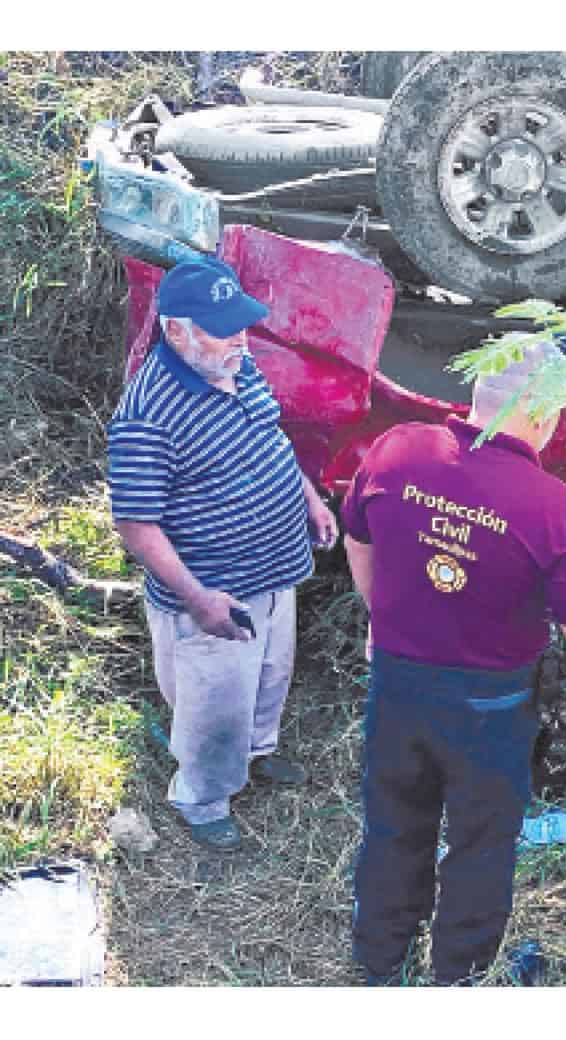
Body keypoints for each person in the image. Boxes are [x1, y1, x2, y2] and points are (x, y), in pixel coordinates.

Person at [341, 338, 566, 986]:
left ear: (476, 392)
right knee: (480, 842)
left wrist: (385, 616)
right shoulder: (553, 508)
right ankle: (458, 975)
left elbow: (357, 537)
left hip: (397, 685)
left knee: (392, 825)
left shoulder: (398, 449)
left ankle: (380, 960)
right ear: (545, 412)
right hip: (488, 706)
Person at [107, 255, 338, 853]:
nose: (239, 337)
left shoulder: (236, 364)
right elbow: (136, 524)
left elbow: (271, 435)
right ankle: (203, 798)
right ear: (175, 329)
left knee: (268, 674)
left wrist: (308, 498)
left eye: (239, 322)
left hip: (273, 570)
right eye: (220, 326)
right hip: (214, 591)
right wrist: (198, 598)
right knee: (214, 698)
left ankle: (258, 750)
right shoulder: (147, 415)